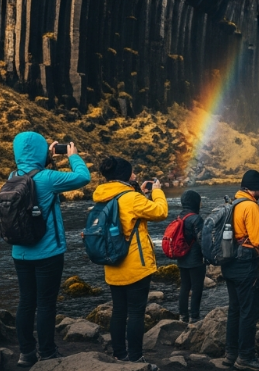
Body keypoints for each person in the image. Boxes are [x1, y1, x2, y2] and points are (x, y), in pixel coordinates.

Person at [11, 133, 91, 367]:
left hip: (20, 252)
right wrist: (72, 156)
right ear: (40, 152)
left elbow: (30, 169)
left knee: (26, 301)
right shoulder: (47, 178)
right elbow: (82, 177)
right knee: (46, 303)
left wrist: (44, 157)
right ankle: (47, 352)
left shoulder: (13, 176)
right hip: (48, 253)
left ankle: (26, 353)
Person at [95, 157, 168, 369]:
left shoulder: (102, 197)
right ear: (125, 176)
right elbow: (160, 212)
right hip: (135, 264)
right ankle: (136, 358)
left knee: (119, 311)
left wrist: (140, 194)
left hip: (111, 263)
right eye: (132, 173)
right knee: (136, 312)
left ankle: (119, 355)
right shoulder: (131, 198)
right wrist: (157, 192)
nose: (135, 176)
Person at [222, 170, 259, 371]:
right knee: (249, 312)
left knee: (235, 310)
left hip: (229, 261)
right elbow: (258, 240)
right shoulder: (250, 206)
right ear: (254, 189)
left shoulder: (232, 203)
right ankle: (246, 356)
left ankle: (230, 354)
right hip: (245, 264)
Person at [176, 190, 206, 324]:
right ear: (195, 202)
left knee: (185, 286)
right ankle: (194, 316)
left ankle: (182, 315)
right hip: (195, 260)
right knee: (197, 288)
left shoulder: (179, 216)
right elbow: (202, 240)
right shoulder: (196, 218)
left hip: (181, 257)